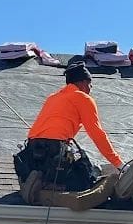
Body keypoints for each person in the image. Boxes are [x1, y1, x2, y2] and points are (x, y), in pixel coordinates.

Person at [14, 62, 124, 204]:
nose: (90, 88)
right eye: (90, 84)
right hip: (54, 151)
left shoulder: (53, 98)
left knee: (53, 171)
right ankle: (49, 187)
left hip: (31, 152)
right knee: (86, 177)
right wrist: (118, 163)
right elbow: (97, 133)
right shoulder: (83, 98)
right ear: (83, 82)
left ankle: (37, 182)